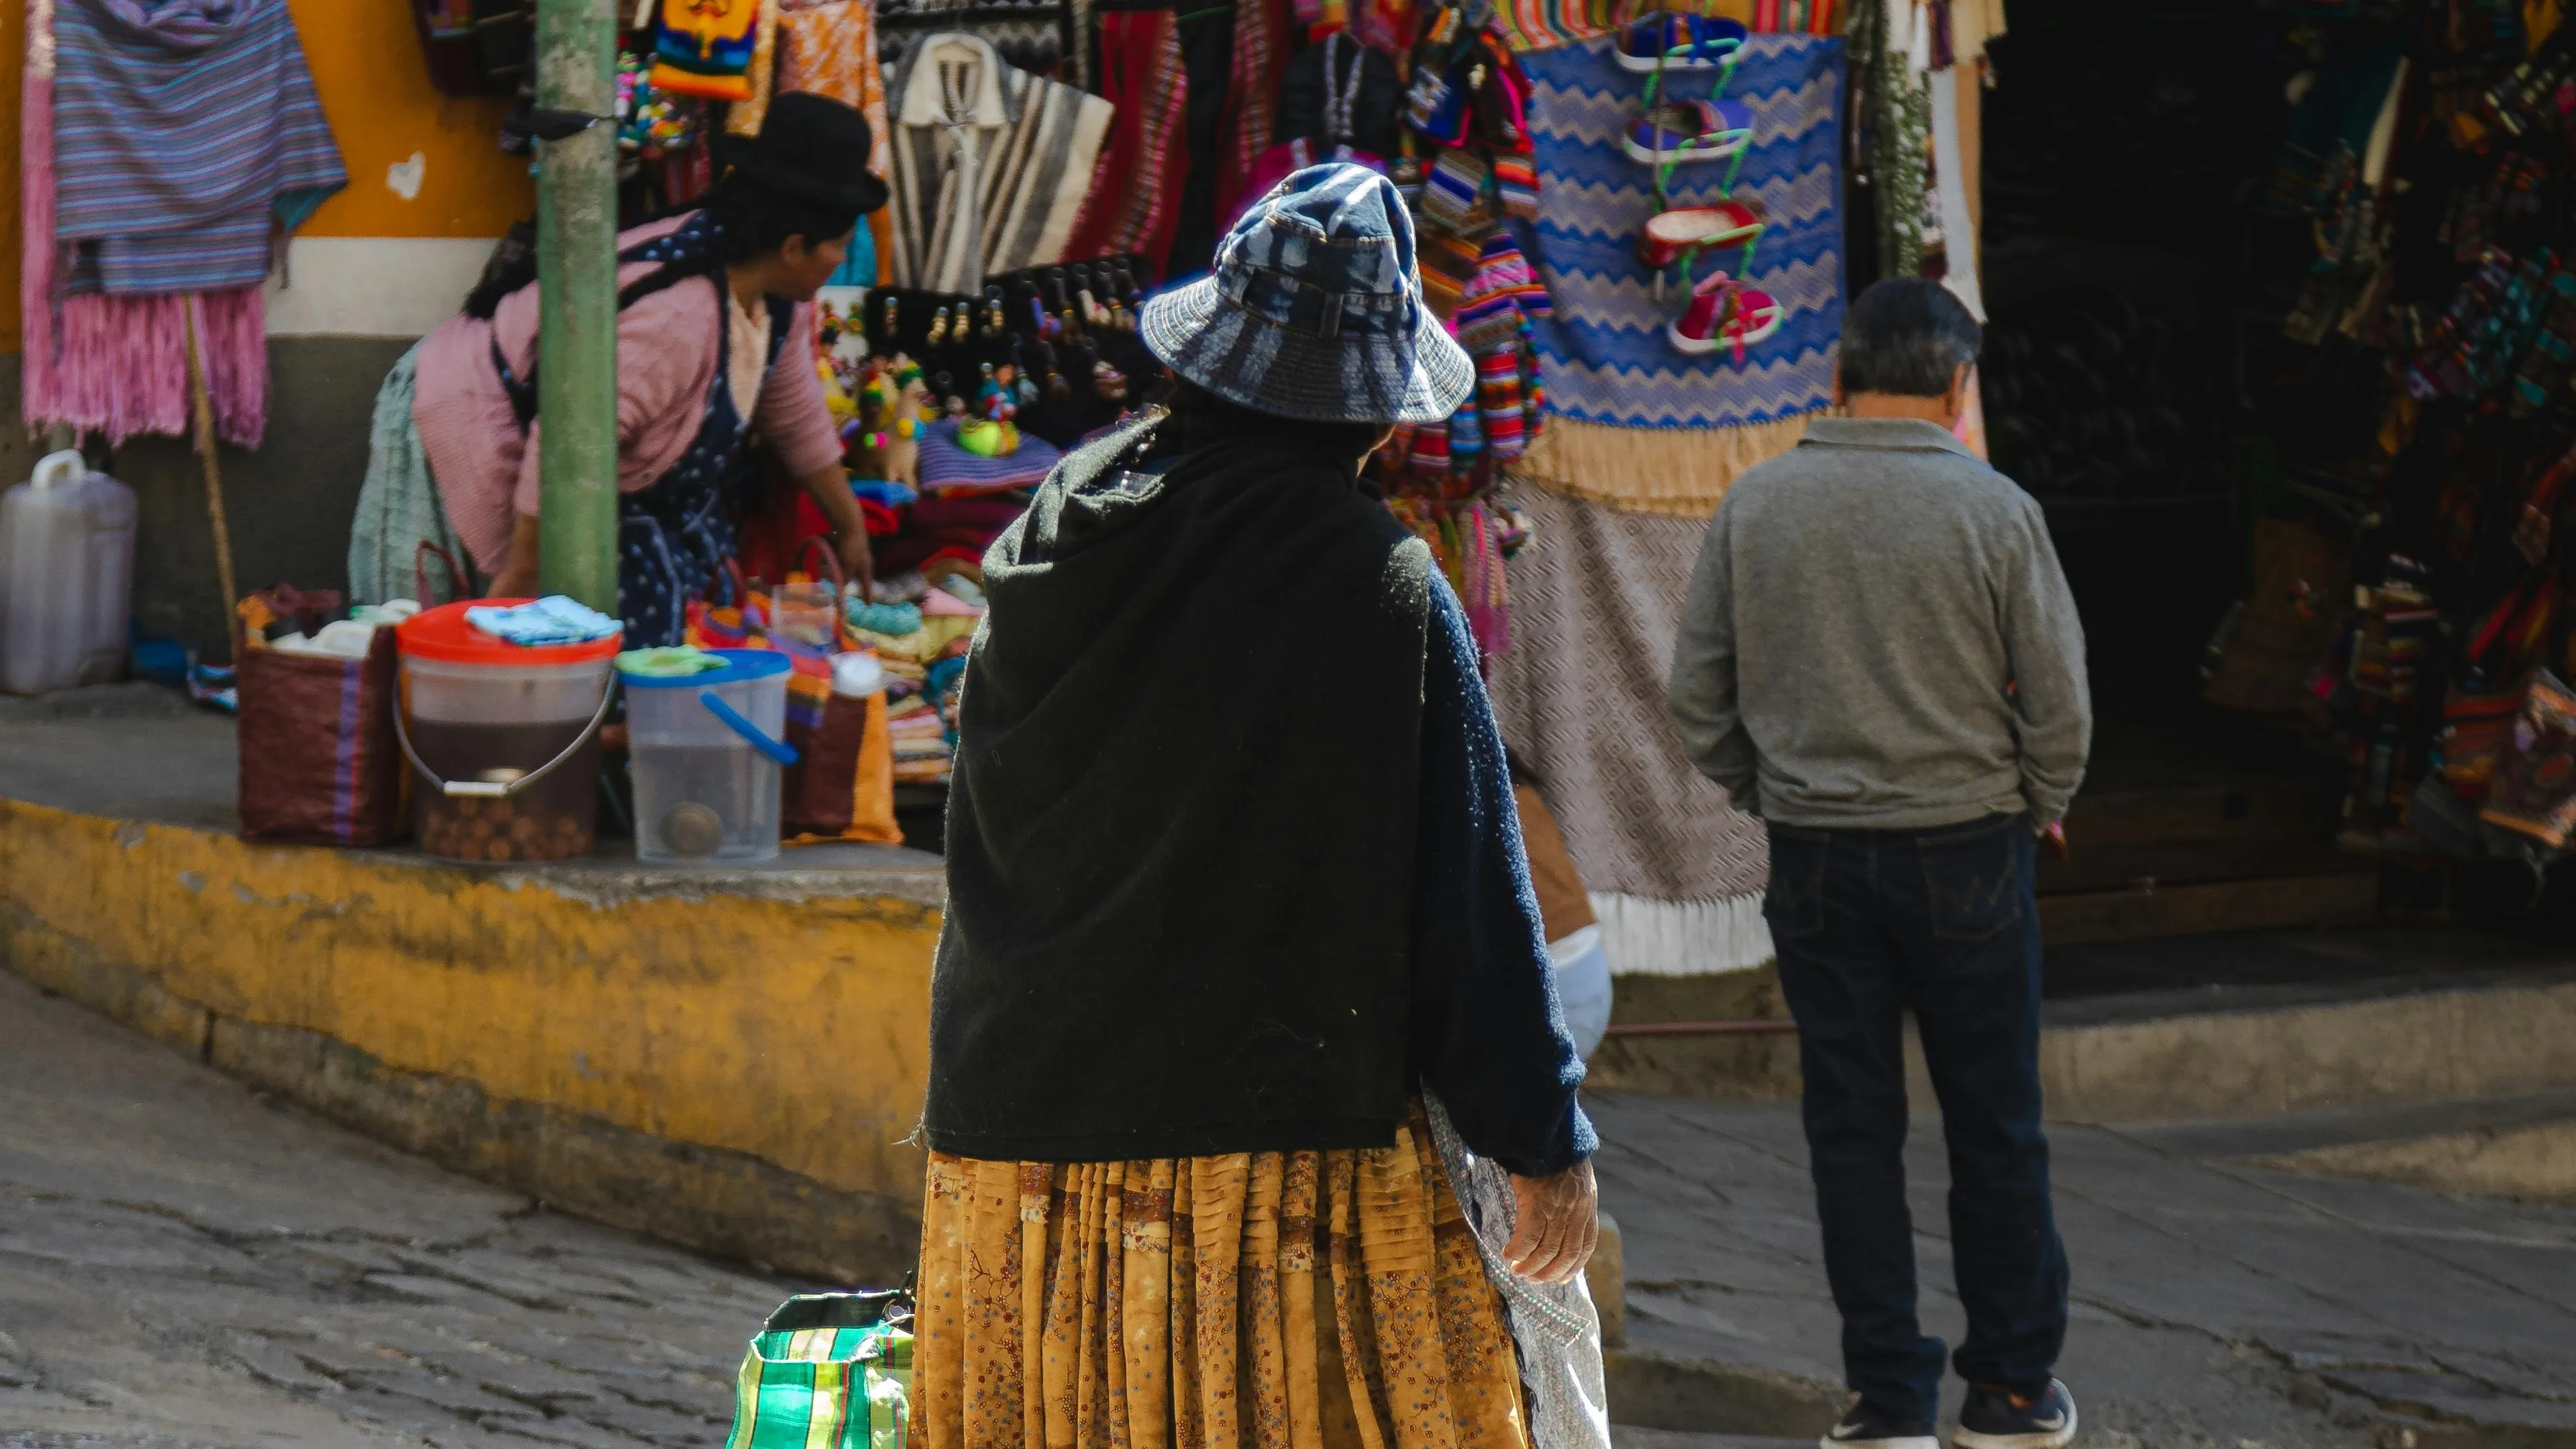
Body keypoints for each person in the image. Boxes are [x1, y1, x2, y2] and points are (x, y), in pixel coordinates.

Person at [914, 163, 1602, 1449]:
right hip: (1270, 1164)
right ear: (1379, 418)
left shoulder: (1058, 530)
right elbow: (1466, 896)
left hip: (1016, 1137)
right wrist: (1538, 1133)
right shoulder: (1375, 582)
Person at [1667, 278, 2091, 1449]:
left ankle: (1886, 1401)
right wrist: (2030, 808)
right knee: (1993, 1123)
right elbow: (2058, 712)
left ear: (1835, 381)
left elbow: (1693, 697)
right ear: (1956, 389)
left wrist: (1772, 790)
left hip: (1814, 857)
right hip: (1966, 850)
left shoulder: (1757, 505)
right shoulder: (1993, 510)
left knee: (1850, 1125)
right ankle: (2007, 1391)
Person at [347, 92, 883, 645]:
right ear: (795, 247)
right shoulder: (676, 320)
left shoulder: (771, 292)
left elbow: (795, 414)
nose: (842, 261)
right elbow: (568, 442)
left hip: (572, 448)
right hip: (471, 409)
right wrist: (519, 584)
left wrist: (850, 527)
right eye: (839, 247)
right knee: (455, 648)